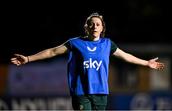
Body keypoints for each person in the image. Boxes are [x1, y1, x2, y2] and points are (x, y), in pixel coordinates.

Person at [11, 12, 164, 110]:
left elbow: (126, 56)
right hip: (81, 92)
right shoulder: (75, 43)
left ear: (102, 27)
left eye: (98, 24)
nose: (94, 26)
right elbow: (52, 51)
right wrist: (28, 58)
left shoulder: (107, 44)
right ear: (87, 27)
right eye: (91, 24)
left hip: (101, 93)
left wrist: (146, 63)